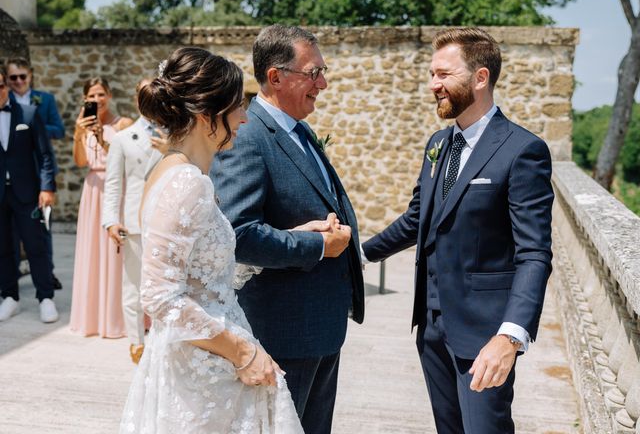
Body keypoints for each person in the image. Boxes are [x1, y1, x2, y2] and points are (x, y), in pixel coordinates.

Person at [362, 27, 554, 433]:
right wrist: (360, 253)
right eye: (432, 74)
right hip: (430, 328)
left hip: (485, 335)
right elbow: (419, 219)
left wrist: (511, 337)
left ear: (480, 78)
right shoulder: (439, 144)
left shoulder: (523, 150)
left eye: (444, 75)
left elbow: (534, 253)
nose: (434, 85)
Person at [120, 46, 303, 433]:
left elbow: (204, 275)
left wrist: (295, 237)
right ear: (206, 116)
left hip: (203, 357)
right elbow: (160, 296)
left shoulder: (173, 172)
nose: (244, 118)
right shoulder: (186, 182)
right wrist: (243, 352)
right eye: (237, 106)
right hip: (203, 374)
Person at [211, 24, 365, 434]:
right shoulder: (248, 136)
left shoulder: (302, 131)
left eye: (322, 71)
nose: (323, 83)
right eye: (312, 73)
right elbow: (238, 234)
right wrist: (315, 246)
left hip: (321, 329)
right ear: (276, 76)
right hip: (283, 335)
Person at [102, 79, 166, 363]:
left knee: (168, 285)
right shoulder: (123, 138)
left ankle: (165, 340)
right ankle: (136, 342)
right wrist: (110, 221)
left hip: (167, 221)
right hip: (135, 222)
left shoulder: (175, 134)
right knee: (133, 286)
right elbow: (113, 184)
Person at [70, 77, 133, 338]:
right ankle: (93, 318)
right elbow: (80, 160)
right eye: (92, 96)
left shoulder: (124, 124)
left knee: (116, 254)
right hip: (93, 188)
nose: (97, 100)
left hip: (117, 188)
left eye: (101, 95)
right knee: (93, 251)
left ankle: (118, 318)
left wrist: (102, 138)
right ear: (86, 99)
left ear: (109, 95)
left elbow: (126, 159)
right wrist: (78, 133)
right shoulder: (82, 124)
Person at [0, 65, 59, 323]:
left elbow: (45, 154)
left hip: (28, 193)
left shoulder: (29, 112)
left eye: (1, 85)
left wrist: (47, 187)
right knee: (3, 248)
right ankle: (10, 296)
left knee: (36, 246)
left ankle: (45, 297)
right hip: (1, 195)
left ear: (7, 86)